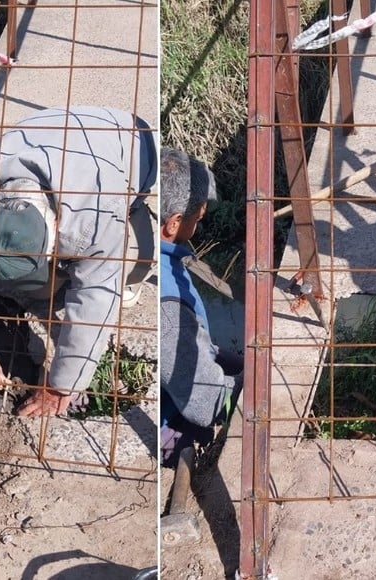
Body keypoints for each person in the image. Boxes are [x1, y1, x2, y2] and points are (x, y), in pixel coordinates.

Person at [0, 106, 157, 417]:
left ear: (55, 225)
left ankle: (127, 264)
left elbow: (95, 301)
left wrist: (60, 387)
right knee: (37, 288)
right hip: (52, 135)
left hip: (130, 145)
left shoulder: (95, 216)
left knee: (134, 263)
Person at [159, 148, 243, 468]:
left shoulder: (157, 256)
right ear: (174, 223)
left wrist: (230, 360)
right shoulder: (169, 309)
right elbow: (207, 402)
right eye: (197, 218)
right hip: (169, 421)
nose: (198, 225)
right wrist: (250, 382)